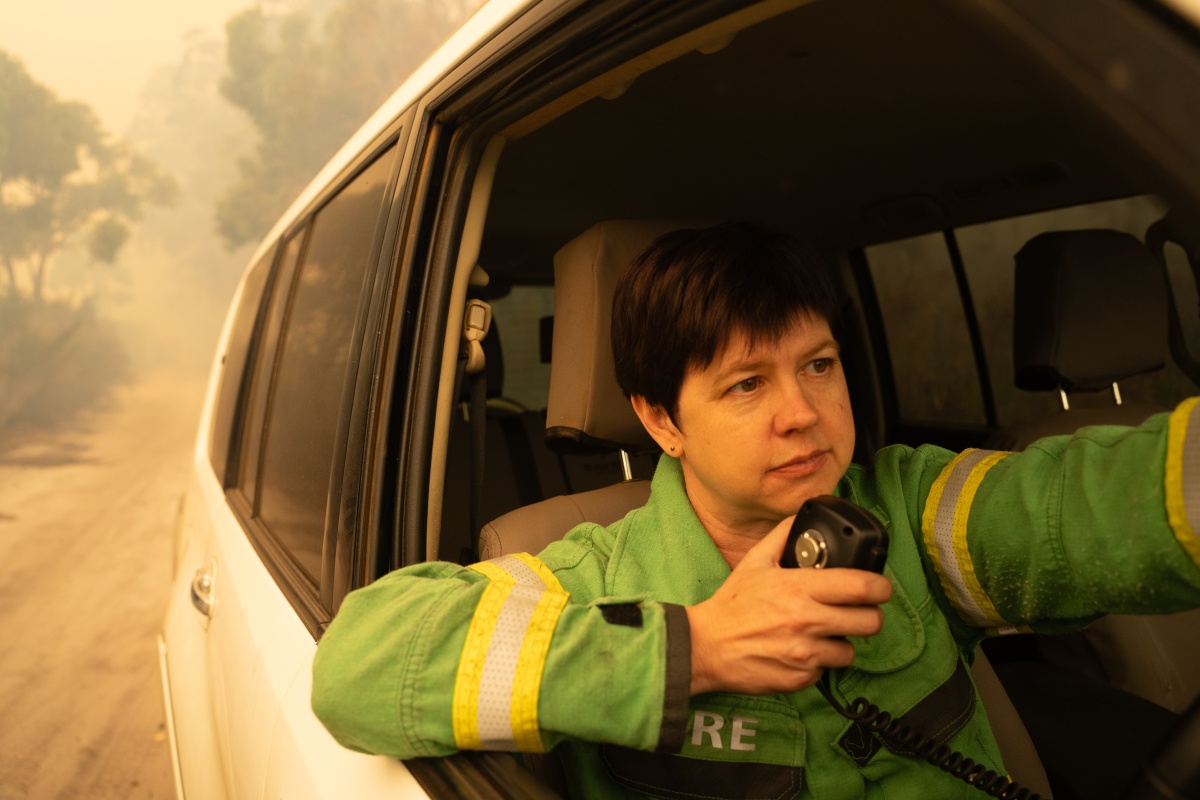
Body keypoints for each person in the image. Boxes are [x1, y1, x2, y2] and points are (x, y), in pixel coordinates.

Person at [311, 223, 1200, 799]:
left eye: (818, 364)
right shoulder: (591, 577)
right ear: (663, 420)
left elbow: (1082, 506)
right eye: (745, 384)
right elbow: (355, 664)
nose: (803, 412)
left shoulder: (911, 508)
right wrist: (692, 648)